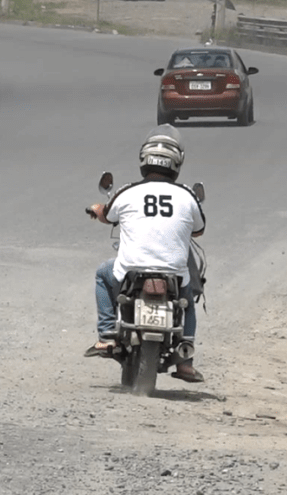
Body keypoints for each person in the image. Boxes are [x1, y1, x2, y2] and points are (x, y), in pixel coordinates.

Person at [83, 124, 207, 383]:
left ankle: (106, 336)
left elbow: (107, 215)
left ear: (144, 160)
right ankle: (185, 360)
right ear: (177, 162)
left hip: (131, 271)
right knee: (189, 297)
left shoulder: (127, 192)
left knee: (103, 275)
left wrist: (97, 209)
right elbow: (199, 231)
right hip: (174, 275)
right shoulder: (186, 196)